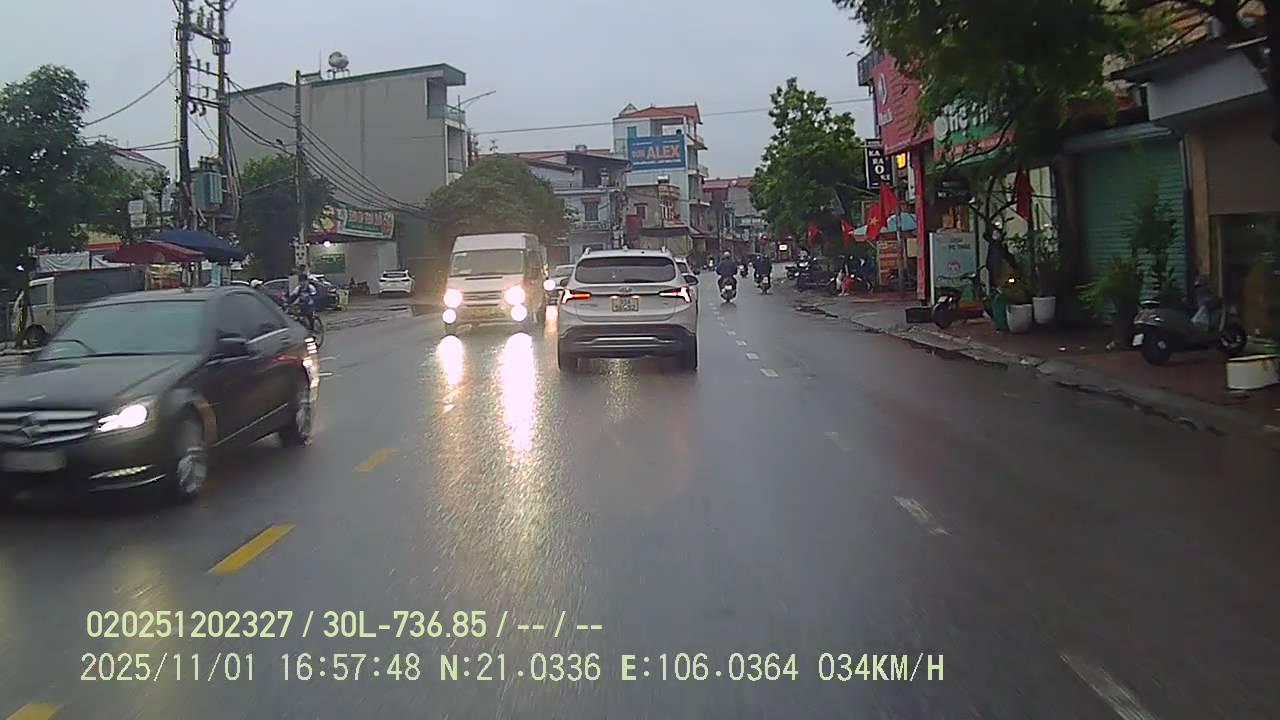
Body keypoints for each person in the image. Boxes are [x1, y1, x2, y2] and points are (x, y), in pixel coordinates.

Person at [285, 266, 320, 333]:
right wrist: (288, 302)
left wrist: (311, 299)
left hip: (310, 305)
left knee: (310, 316)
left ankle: (312, 330)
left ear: (307, 281)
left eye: (304, 281)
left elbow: (315, 295)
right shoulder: (298, 288)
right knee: (297, 317)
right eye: (301, 281)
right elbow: (294, 296)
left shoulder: (310, 287)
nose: (302, 283)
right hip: (302, 305)